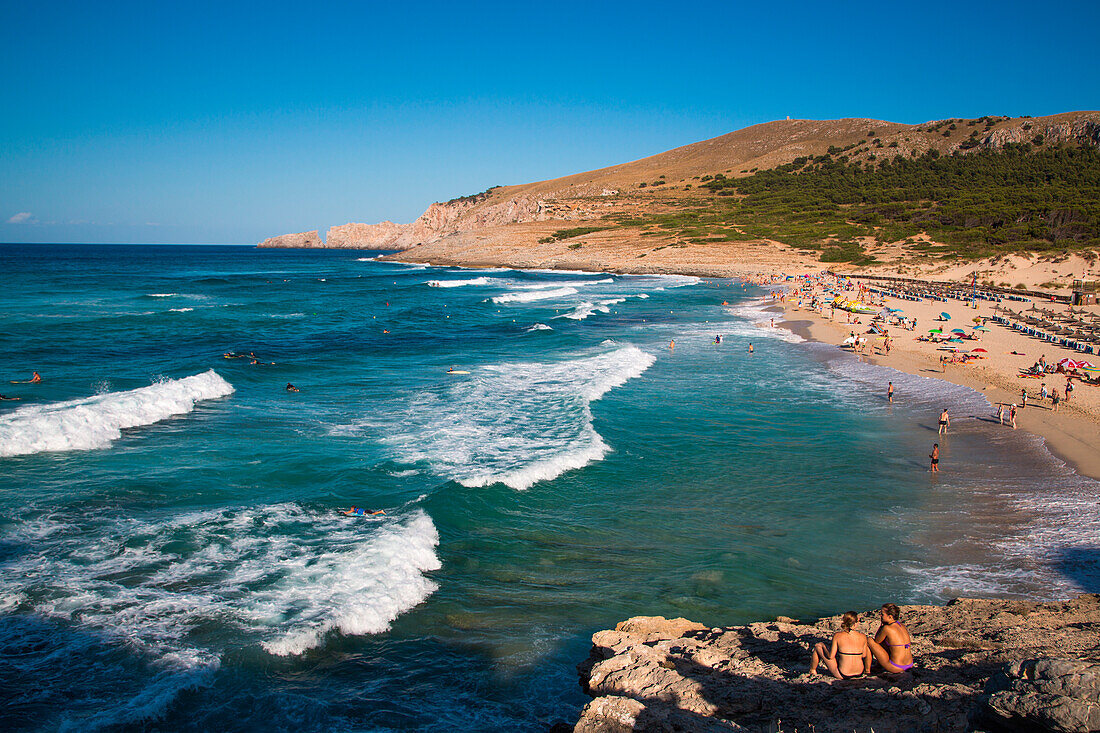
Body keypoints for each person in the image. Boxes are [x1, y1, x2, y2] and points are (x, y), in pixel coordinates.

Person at [809, 611, 871, 680]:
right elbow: (864, 655)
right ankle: (867, 671)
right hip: (859, 673)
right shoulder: (863, 637)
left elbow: (830, 656)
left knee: (818, 646)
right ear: (855, 623)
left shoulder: (837, 636)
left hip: (843, 674)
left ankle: (812, 670)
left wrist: (823, 646)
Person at [868, 603, 915, 673]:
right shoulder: (901, 625)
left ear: (890, 617)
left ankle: (867, 670)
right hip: (909, 664)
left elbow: (877, 641)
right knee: (887, 642)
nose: (880, 616)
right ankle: (878, 666)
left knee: (869, 640)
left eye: (882, 614)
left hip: (896, 667)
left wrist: (881, 625)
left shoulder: (887, 628)